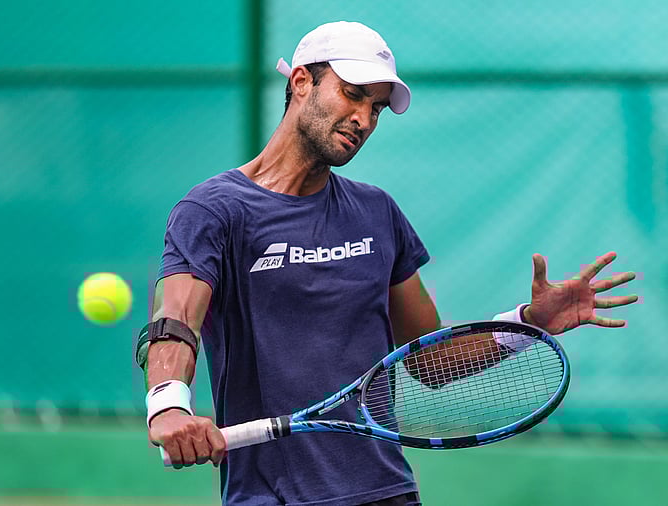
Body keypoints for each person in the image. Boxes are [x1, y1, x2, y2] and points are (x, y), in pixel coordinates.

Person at [137, 21, 638, 506]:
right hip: (272, 496)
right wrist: (168, 405)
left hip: (386, 492)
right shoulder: (213, 211)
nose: (364, 119)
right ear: (302, 82)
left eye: (376, 107)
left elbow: (428, 358)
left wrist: (526, 324)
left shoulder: (376, 212)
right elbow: (175, 320)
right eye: (353, 94)